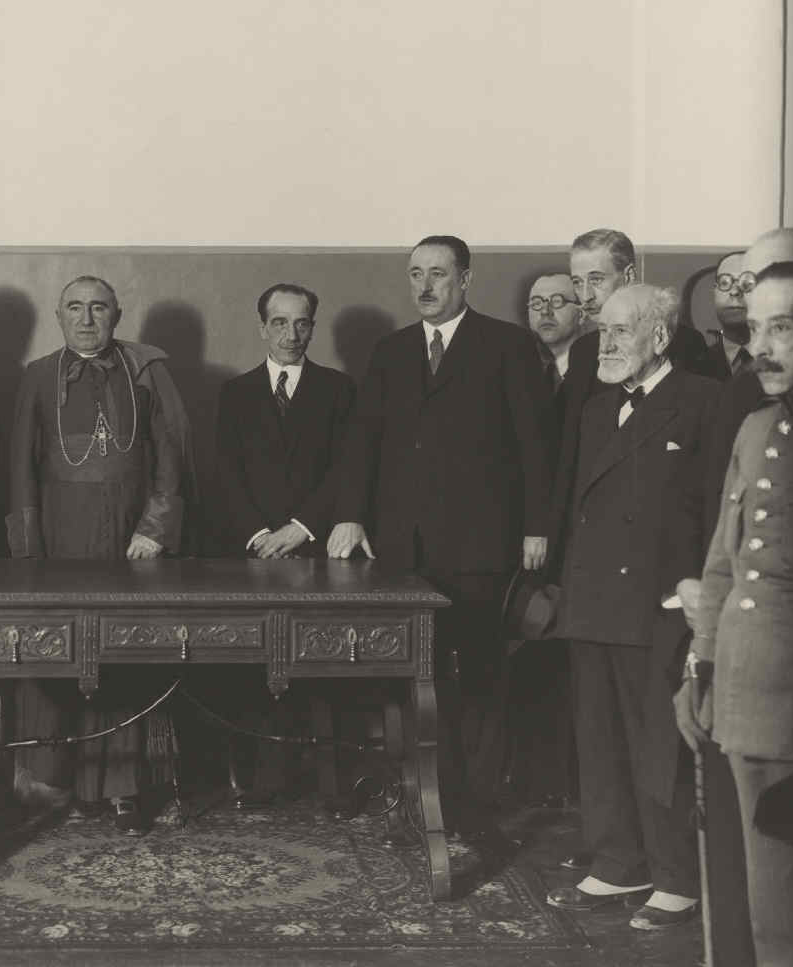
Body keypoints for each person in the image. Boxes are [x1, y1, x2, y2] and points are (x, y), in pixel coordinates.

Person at [329, 235, 553, 846]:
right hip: (405, 549)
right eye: (415, 274)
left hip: (481, 544)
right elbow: (364, 440)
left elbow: (534, 444)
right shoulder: (392, 350)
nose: (425, 286)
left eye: (437, 274)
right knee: (416, 676)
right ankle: (421, 798)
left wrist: (537, 526)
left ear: (466, 279)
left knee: (479, 677)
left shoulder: (506, 345)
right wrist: (350, 516)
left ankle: (475, 807)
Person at [545, 284, 716, 930]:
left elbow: (713, 503)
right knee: (599, 738)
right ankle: (619, 860)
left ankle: (676, 876)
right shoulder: (596, 408)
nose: (606, 344)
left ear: (660, 336)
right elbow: (576, 507)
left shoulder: (702, 401)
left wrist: (692, 588)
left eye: (621, 331)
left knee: (658, 745)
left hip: (660, 601)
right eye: (603, 331)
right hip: (594, 599)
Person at [7, 275, 190, 834]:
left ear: (116, 315)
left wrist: (155, 530)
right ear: (59, 315)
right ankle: (61, 783)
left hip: (132, 538)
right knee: (64, 652)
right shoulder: (38, 375)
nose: (87, 319)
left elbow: (171, 454)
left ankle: (124, 790)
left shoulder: (146, 370)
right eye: (75, 308)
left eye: (98, 309)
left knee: (125, 654)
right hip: (61, 538)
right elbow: (21, 470)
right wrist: (30, 553)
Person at [676, 259, 793, 967]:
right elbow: (724, 564)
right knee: (764, 905)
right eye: (755, 329)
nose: (762, 348)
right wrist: (700, 667)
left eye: (783, 327)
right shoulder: (755, 429)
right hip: (745, 697)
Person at [212, 282, 356, 802]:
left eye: (301, 323)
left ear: (313, 327)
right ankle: (258, 783)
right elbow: (225, 474)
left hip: (319, 552)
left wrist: (301, 528)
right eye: (279, 323)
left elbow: (347, 469)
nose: (291, 334)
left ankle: (332, 787)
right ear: (262, 327)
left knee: (323, 671)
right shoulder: (235, 393)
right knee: (255, 669)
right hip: (254, 555)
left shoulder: (340, 390)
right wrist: (259, 536)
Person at [505, 271, 585, 808]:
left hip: (578, 535)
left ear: (582, 311)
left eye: (559, 301)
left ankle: (571, 781)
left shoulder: (597, 370)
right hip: (530, 542)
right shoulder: (522, 370)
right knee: (531, 654)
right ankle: (537, 778)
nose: (547, 311)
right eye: (537, 303)